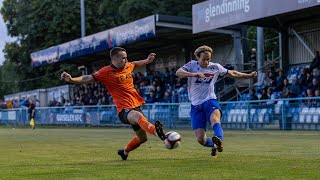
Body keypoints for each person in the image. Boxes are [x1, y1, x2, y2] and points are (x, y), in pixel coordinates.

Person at [61, 47, 166, 160]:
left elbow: (135, 64)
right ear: (115, 58)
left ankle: (124, 152)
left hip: (136, 106)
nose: (126, 60)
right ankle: (156, 131)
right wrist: (72, 80)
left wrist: (147, 61)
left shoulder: (127, 66)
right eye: (124, 58)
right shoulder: (105, 72)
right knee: (137, 116)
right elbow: (88, 78)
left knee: (142, 138)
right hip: (123, 110)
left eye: (126, 58)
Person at [175, 45, 257, 157]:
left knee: (215, 119)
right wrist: (193, 74)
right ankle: (214, 145)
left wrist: (248, 76)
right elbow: (178, 72)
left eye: (208, 59)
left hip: (210, 100)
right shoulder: (192, 65)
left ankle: (219, 141)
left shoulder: (215, 67)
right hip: (195, 105)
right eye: (204, 59)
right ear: (198, 57)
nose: (206, 61)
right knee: (200, 139)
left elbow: (233, 73)